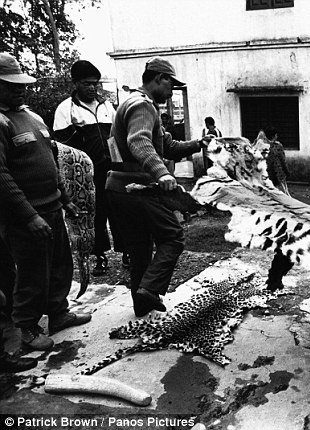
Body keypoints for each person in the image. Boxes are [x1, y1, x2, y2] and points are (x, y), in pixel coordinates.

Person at [106, 56, 212, 318]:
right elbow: (139, 142)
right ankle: (150, 290)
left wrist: (199, 143)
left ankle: (142, 303)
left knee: (140, 248)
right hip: (137, 187)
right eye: (170, 84)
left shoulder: (136, 104)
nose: (171, 90)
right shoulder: (142, 106)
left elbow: (169, 146)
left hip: (119, 188)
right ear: (159, 78)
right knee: (173, 236)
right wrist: (162, 173)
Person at [0, 53, 91, 351]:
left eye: (22, 84)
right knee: (31, 271)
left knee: (60, 265)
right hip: (25, 215)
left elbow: (50, 160)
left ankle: (58, 313)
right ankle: (26, 326)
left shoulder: (33, 117)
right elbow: (2, 176)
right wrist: (29, 216)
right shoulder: (1, 122)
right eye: (12, 85)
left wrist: (65, 200)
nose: (21, 89)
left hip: (52, 207)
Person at [53, 60, 128, 275]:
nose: (93, 87)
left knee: (119, 212)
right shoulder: (66, 110)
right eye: (87, 83)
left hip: (111, 170)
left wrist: (119, 165)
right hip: (85, 175)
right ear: (75, 83)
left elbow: (115, 138)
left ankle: (126, 253)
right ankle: (99, 256)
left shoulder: (107, 106)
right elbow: (62, 148)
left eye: (96, 83)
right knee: (94, 216)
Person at [264, 126, 290, 195]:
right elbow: (282, 160)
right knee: (282, 193)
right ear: (274, 136)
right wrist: (287, 171)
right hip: (278, 173)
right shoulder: (278, 146)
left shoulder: (263, 146)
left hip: (267, 173)